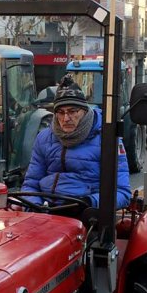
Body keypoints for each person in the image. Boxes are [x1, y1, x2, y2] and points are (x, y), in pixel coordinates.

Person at [21, 77, 131, 214]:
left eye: (72, 111)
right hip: (46, 210)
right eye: (60, 113)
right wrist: (34, 206)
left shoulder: (107, 140)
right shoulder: (43, 139)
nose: (66, 118)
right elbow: (31, 184)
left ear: (84, 111)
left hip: (86, 213)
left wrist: (89, 203)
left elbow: (122, 192)